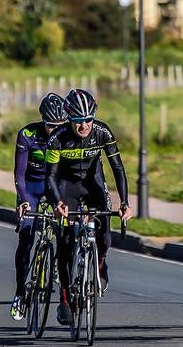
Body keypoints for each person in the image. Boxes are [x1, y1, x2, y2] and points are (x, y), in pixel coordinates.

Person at [45, 88, 132, 327]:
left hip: (93, 183)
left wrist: (124, 203)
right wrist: (57, 203)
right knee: (64, 244)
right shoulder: (58, 138)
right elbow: (49, 176)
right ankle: (64, 297)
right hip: (66, 185)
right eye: (78, 121)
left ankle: (101, 263)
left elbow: (118, 168)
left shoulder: (102, 132)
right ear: (69, 119)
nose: (84, 126)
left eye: (88, 120)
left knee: (104, 232)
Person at [9, 92, 66, 321]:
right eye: (51, 125)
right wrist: (23, 200)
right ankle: (20, 292)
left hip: (56, 187)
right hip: (31, 188)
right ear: (43, 120)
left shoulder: (67, 136)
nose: (55, 130)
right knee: (26, 237)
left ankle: (58, 263)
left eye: (60, 125)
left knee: (66, 230)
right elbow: (19, 174)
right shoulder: (28, 134)